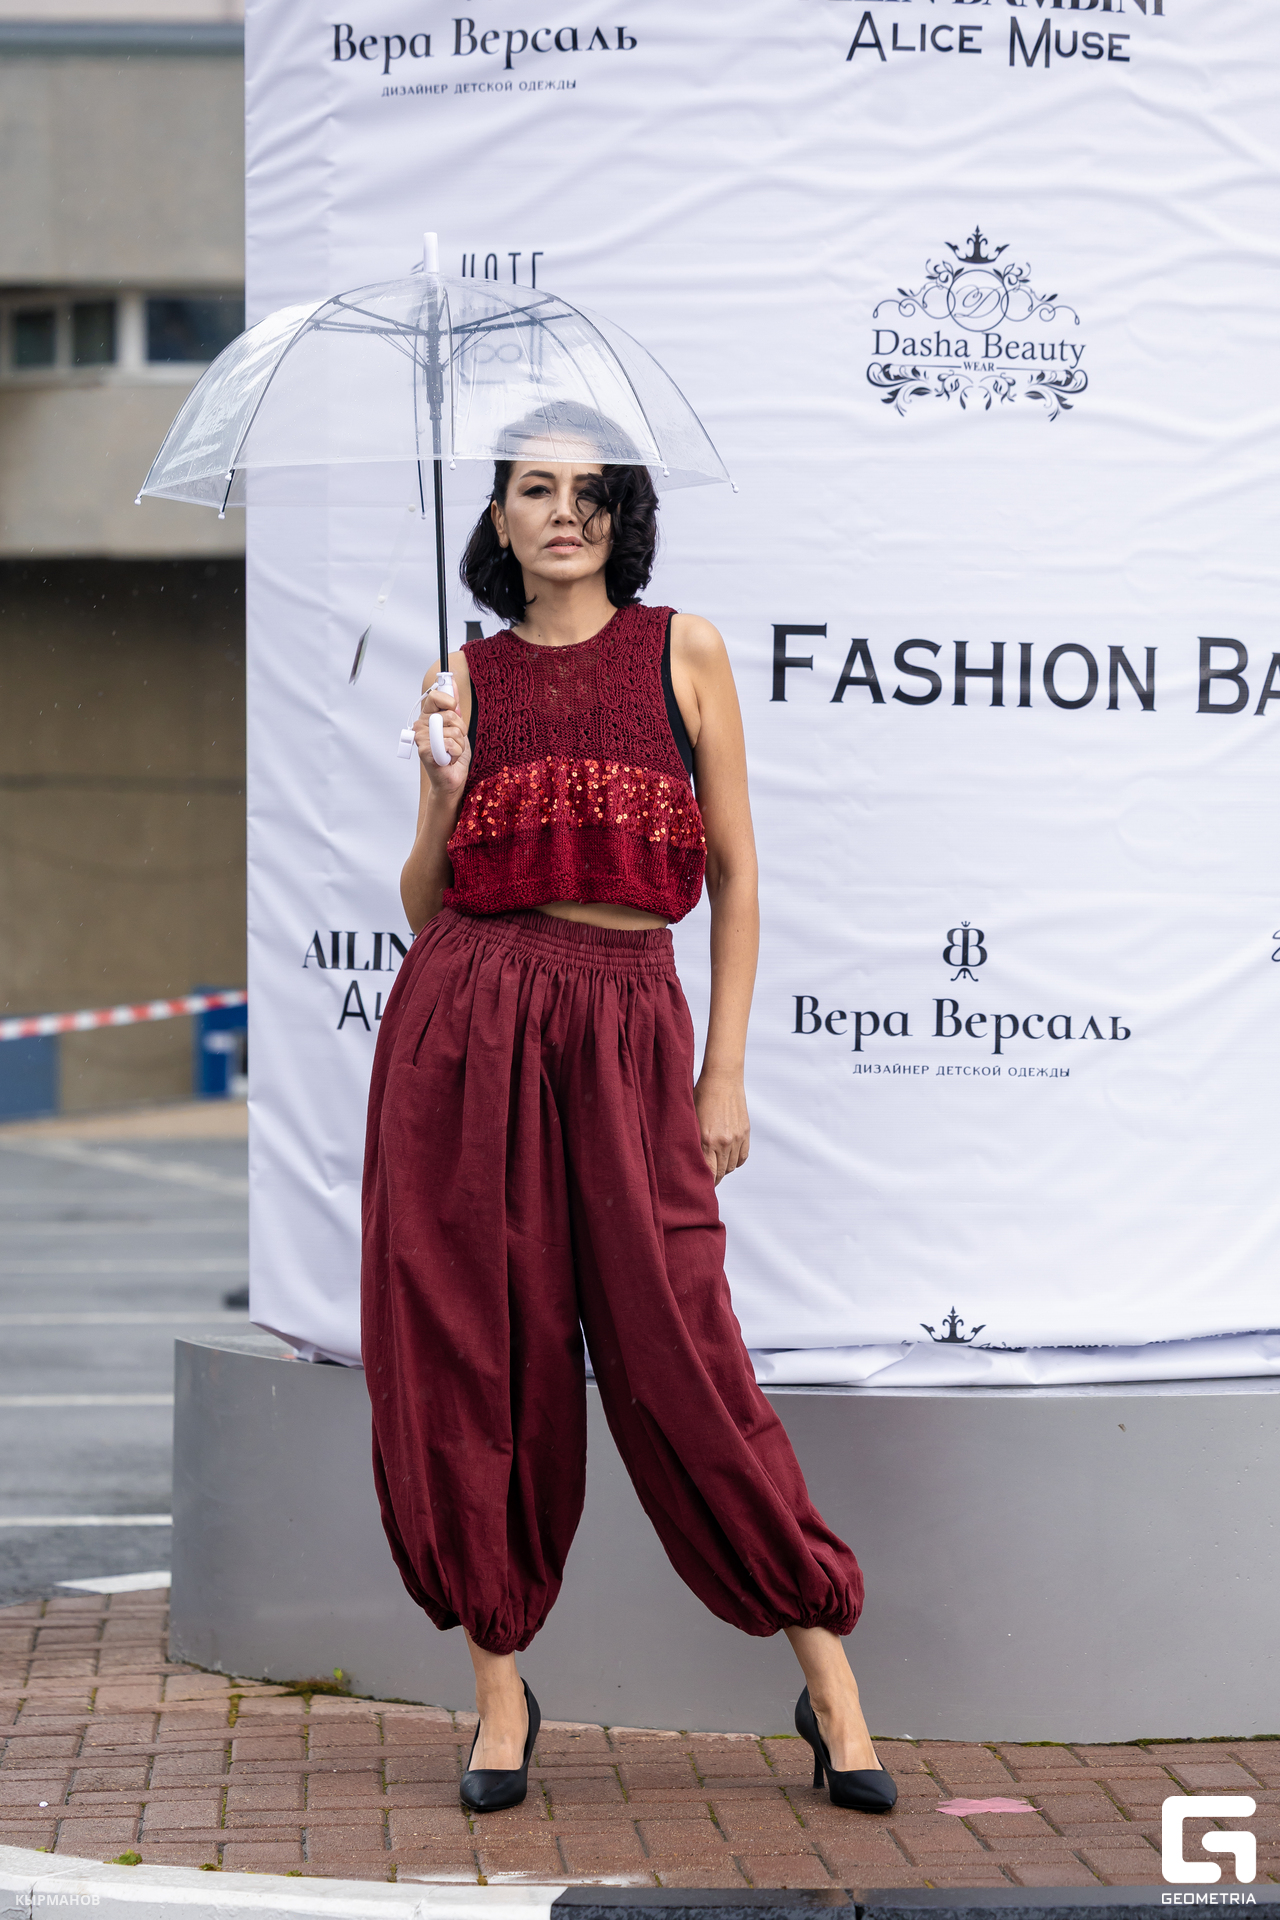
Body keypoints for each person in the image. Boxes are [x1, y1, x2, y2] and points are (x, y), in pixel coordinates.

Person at [360, 410, 896, 1818]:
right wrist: (442, 792)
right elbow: (421, 904)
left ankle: (828, 1675)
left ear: (622, 517)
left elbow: (737, 872)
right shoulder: (462, 677)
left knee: (682, 1345)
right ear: (496, 519)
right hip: (469, 1018)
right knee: (477, 1351)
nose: (563, 513)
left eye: (589, 493)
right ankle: (498, 1692)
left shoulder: (682, 651)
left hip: (628, 1021)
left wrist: (723, 1071)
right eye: (534, 490)